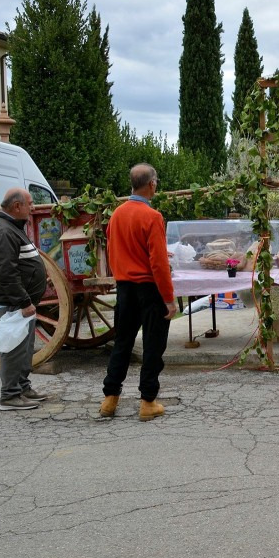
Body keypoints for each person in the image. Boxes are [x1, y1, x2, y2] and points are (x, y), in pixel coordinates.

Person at [99, 163, 177, 422]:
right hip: (149, 289)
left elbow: (115, 250)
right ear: (151, 184)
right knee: (153, 345)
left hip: (125, 288)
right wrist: (169, 299)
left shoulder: (116, 214)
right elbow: (158, 264)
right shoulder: (152, 216)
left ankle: (110, 399)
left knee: (122, 342)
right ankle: (148, 401)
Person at [0, 188, 49, 411]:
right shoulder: (3, 231)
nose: (33, 208)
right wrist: (24, 302)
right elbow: (7, 273)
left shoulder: (10, 227)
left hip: (20, 302)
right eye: (30, 203)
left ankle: (22, 387)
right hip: (14, 303)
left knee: (23, 348)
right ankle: (10, 396)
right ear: (17, 206)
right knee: (13, 350)